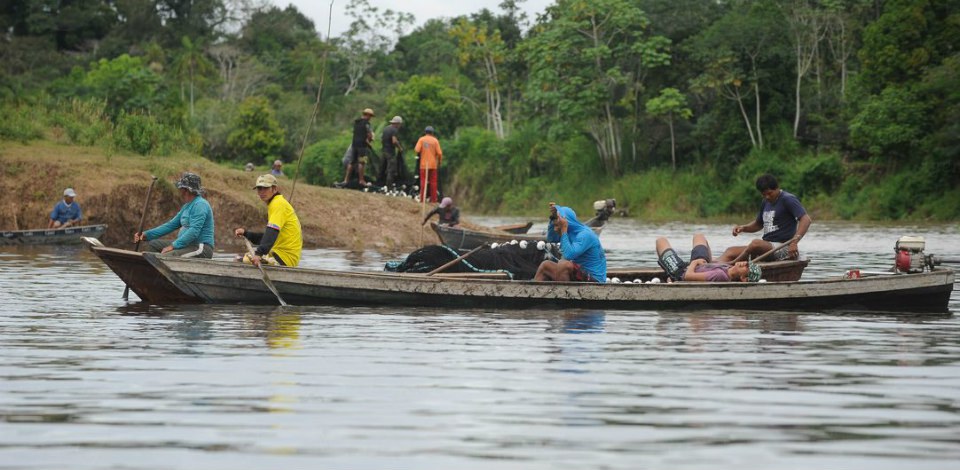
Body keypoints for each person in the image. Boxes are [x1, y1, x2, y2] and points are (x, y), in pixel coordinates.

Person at [718, 174, 812, 262]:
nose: (767, 197)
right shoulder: (765, 202)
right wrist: (743, 228)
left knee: (755, 244)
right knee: (730, 251)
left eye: (769, 193)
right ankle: (711, 266)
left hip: (783, 248)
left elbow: (806, 219)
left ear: (777, 188)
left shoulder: (788, 199)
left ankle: (731, 265)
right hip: (767, 247)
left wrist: (794, 242)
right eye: (763, 194)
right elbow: (758, 224)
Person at [134, 173, 214, 258]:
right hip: (187, 245)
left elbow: (194, 231)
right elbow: (170, 225)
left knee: (168, 256)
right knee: (153, 245)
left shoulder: (200, 205)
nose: (179, 191)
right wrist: (147, 234)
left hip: (201, 247)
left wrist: (173, 246)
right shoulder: (186, 206)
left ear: (187, 190)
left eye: (181, 188)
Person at [234, 174, 302, 267]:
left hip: (284, 259)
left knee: (240, 260)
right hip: (278, 255)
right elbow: (267, 238)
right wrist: (246, 233)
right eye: (259, 189)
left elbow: (272, 232)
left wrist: (258, 254)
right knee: (242, 258)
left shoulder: (278, 204)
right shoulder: (275, 203)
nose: (262, 192)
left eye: (265, 188)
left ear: (274, 189)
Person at [534, 203, 606, 283]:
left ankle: (563, 294)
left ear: (567, 221)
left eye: (558, 219)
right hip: (579, 273)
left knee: (563, 264)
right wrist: (552, 218)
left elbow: (568, 255)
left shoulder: (585, 234)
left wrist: (564, 229)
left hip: (594, 279)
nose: (555, 227)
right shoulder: (569, 232)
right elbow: (551, 239)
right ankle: (532, 293)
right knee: (545, 265)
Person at [657, 233, 762, 282]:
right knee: (699, 236)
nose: (745, 263)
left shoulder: (720, 275)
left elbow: (688, 277)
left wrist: (694, 263)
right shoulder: (728, 267)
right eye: (748, 263)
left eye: (747, 267)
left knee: (660, 241)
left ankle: (670, 275)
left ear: (743, 279)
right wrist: (709, 261)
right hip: (703, 264)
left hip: (680, 271)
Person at [338, 108, 375, 187]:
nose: (370, 118)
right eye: (370, 116)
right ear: (367, 115)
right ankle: (361, 180)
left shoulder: (356, 122)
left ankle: (346, 180)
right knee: (362, 162)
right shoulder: (367, 124)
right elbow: (369, 135)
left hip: (354, 145)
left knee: (352, 162)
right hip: (362, 146)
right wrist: (369, 141)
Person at [414, 126, 443, 203]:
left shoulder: (421, 139)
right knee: (433, 183)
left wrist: (424, 149)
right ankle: (433, 200)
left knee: (423, 182)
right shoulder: (435, 141)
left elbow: (417, 149)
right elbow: (439, 153)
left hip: (423, 165)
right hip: (433, 165)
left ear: (425, 132)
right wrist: (439, 162)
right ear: (432, 133)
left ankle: (422, 199)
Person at [382, 115, 404, 188]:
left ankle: (383, 184)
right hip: (390, 152)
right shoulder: (394, 130)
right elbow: (394, 141)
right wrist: (400, 148)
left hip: (383, 151)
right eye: (399, 124)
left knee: (384, 168)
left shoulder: (386, 129)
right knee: (391, 169)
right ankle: (389, 186)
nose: (400, 126)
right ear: (397, 123)